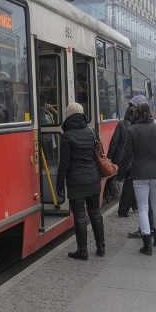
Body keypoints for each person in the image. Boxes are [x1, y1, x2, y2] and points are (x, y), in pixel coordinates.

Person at [116, 102, 156, 255]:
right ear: (151, 113)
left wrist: (120, 176)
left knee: (143, 208)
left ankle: (147, 244)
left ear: (137, 115)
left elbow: (126, 156)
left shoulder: (132, 130)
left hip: (140, 174)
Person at [56, 102, 105, 260]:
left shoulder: (67, 136)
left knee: (79, 215)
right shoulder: (92, 132)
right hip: (93, 178)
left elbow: (64, 164)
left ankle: (82, 251)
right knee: (96, 213)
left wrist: (59, 185)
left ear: (68, 116)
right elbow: (97, 156)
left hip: (76, 181)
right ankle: (101, 247)